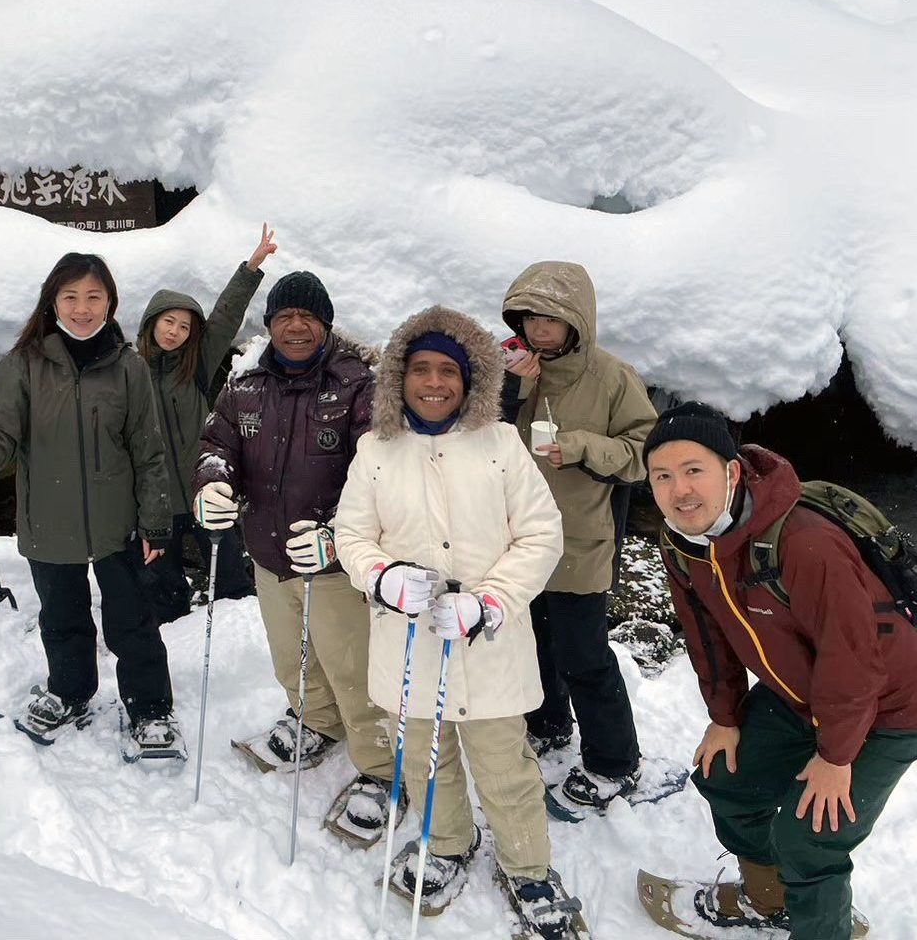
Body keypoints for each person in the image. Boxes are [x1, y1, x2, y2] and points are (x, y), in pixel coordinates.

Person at [645, 402, 917, 940]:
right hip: (800, 695)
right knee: (727, 780)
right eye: (662, 476)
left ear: (730, 471)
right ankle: (770, 900)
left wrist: (836, 756)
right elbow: (707, 637)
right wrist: (725, 716)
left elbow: (853, 661)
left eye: (693, 470)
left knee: (811, 837)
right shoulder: (685, 544)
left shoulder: (805, 543)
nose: (679, 490)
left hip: (889, 708)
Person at [334, 306, 583, 926]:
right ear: (399, 376)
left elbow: (541, 534)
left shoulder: (500, 444)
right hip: (409, 642)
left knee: (504, 767)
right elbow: (352, 535)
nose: (434, 382)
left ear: (470, 380)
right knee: (425, 759)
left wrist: (490, 600)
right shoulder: (375, 450)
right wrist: (383, 578)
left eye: (448, 370)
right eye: (420, 368)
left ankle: (528, 868)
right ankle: (446, 842)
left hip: (489, 644)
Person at [0, 252, 181, 755]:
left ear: (111, 302)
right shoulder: (23, 365)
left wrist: (155, 521)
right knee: (62, 618)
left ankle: (150, 708)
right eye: (70, 296)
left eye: (94, 296)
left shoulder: (129, 368)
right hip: (48, 520)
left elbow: (149, 451)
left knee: (133, 622)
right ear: (51, 301)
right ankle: (70, 692)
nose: (82, 308)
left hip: (118, 524)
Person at [193, 269, 398, 841]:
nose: (296, 326)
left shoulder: (358, 386)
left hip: (334, 564)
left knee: (353, 670)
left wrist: (337, 533)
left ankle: (382, 768)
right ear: (270, 324)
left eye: (308, 316)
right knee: (292, 659)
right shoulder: (245, 384)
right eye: (285, 316)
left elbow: (380, 472)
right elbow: (216, 445)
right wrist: (213, 484)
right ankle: (316, 722)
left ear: (326, 324)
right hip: (268, 553)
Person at [500, 260, 656, 808]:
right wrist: (511, 390)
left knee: (584, 656)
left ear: (577, 321)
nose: (539, 330)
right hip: (517, 541)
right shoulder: (511, 368)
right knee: (532, 641)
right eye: (529, 318)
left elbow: (647, 453)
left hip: (580, 539)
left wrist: (582, 446)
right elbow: (476, 437)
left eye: (551, 318)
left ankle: (615, 761)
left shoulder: (612, 377)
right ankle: (547, 724)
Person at [135, 225, 275, 620]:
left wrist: (250, 268)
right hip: (157, 501)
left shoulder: (194, 366)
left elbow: (224, 318)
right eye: (169, 322)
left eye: (184, 327)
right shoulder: (129, 372)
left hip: (204, 491)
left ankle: (238, 635)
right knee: (163, 589)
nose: (175, 332)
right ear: (152, 322)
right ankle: (174, 638)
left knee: (231, 576)